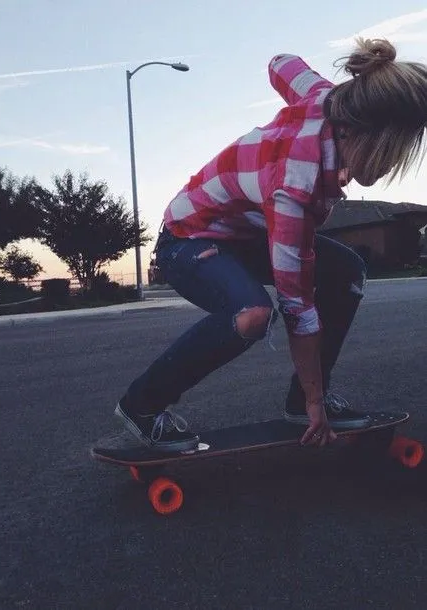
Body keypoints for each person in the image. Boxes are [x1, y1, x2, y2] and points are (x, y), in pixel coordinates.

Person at [115, 38, 427, 453]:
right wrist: (320, 403)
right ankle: (141, 406)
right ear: (356, 129)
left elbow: (281, 62)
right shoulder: (297, 184)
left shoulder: (327, 97)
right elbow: (297, 306)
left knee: (346, 270)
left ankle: (300, 400)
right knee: (252, 314)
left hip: (244, 236)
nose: (389, 166)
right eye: (388, 151)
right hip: (188, 239)